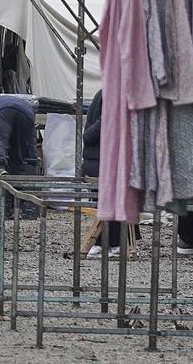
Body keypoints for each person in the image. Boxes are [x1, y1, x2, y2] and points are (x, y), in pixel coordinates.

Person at [82, 89, 139, 258]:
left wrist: (88, 135)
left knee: (107, 201)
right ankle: (112, 242)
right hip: (102, 158)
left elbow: (102, 124)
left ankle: (111, 242)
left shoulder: (109, 92)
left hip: (101, 158)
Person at [0, 95, 38, 176]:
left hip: (4, 110)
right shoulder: (27, 106)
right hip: (27, 115)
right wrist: (33, 161)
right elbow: (31, 138)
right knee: (18, 150)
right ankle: (17, 177)